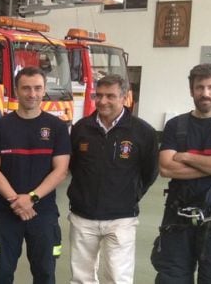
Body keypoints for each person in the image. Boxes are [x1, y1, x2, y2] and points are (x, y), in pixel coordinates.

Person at [67, 74, 158, 284]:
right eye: (98, 95)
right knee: (81, 278)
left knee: (117, 278)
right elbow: (73, 166)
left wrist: (130, 195)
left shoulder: (143, 132)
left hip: (121, 218)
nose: (102, 101)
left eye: (110, 96)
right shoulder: (81, 128)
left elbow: (150, 171)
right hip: (83, 216)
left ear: (124, 97)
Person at [0, 67, 70, 284]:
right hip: (6, 212)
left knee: (44, 273)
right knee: (2, 272)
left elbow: (60, 171)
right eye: (26, 88)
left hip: (43, 213)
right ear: (16, 91)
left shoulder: (57, 127)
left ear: (44, 90)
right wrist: (16, 200)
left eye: (38, 88)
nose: (32, 94)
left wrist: (30, 198)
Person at [152, 63, 211, 283]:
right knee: (171, 278)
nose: (205, 93)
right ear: (191, 90)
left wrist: (186, 157)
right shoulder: (175, 125)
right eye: (199, 87)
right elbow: (166, 167)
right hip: (177, 217)